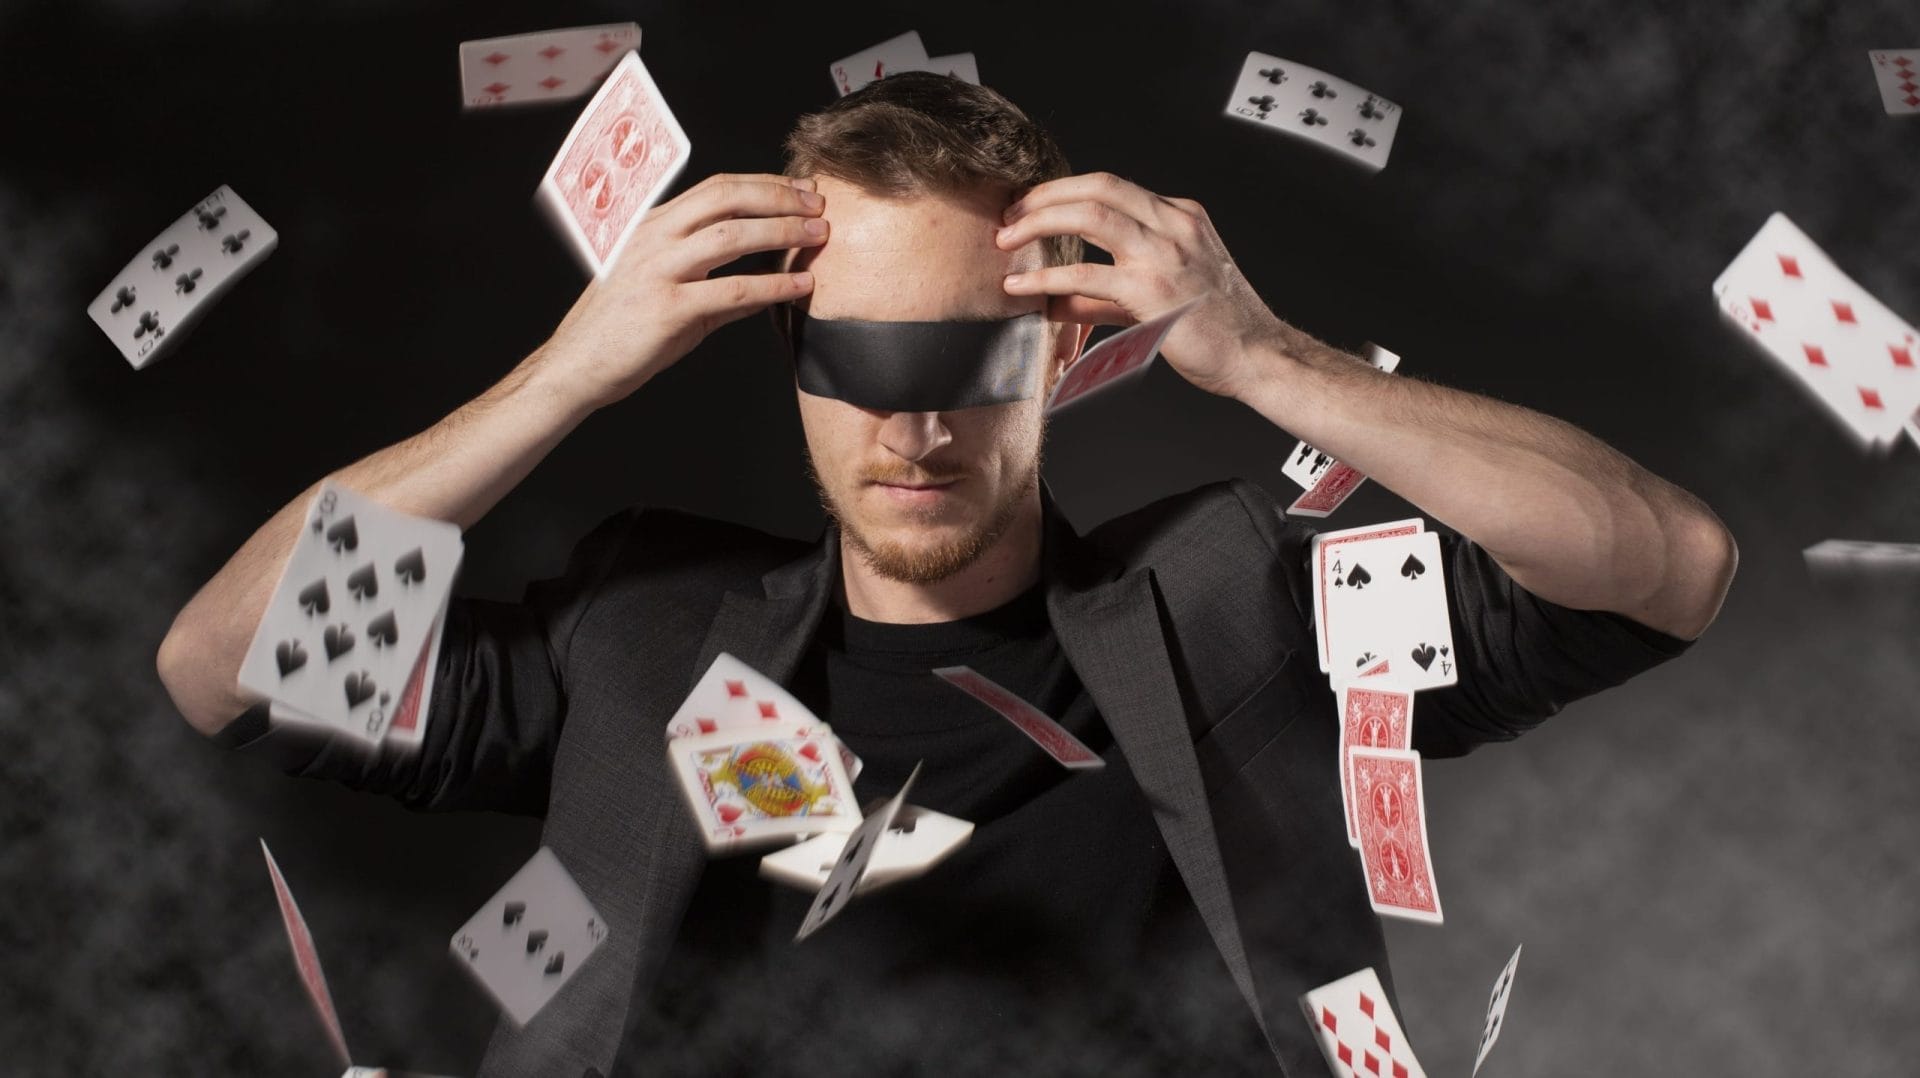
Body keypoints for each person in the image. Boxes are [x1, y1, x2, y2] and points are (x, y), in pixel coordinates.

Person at [156, 72, 1736, 1077]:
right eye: (859, 355)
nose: (913, 423)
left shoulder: (1240, 602)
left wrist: (1267, 359)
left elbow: (1665, 563)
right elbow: (222, 662)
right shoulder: (631, 638)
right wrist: (563, 377)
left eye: (966, 358)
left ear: (1063, 349)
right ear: (787, 353)